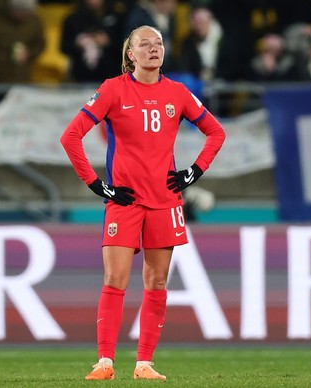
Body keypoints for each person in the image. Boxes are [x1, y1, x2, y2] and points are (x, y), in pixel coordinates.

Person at [60, 25, 226, 381]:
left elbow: (216, 132)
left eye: (159, 43)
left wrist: (193, 173)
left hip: (165, 200)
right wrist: (97, 186)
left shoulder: (177, 93)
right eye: (144, 44)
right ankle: (105, 361)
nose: (154, 49)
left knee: (157, 282)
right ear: (130, 54)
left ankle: (144, 363)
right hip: (125, 200)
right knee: (115, 277)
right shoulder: (112, 90)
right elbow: (70, 136)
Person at [60, 0, 124, 83]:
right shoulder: (72, 19)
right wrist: (78, 44)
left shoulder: (118, 16)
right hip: (80, 77)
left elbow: (126, 46)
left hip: (111, 74)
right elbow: (64, 47)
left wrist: (108, 42)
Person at [123, 0, 179, 72]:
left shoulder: (170, 18)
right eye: (171, 2)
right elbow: (129, 42)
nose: (174, 6)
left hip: (163, 69)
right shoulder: (139, 15)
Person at [178, 6, 223, 82]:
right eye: (196, 23)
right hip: (198, 82)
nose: (199, 27)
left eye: (202, 23)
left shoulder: (223, 39)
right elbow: (185, 66)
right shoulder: (188, 41)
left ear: (210, 22)